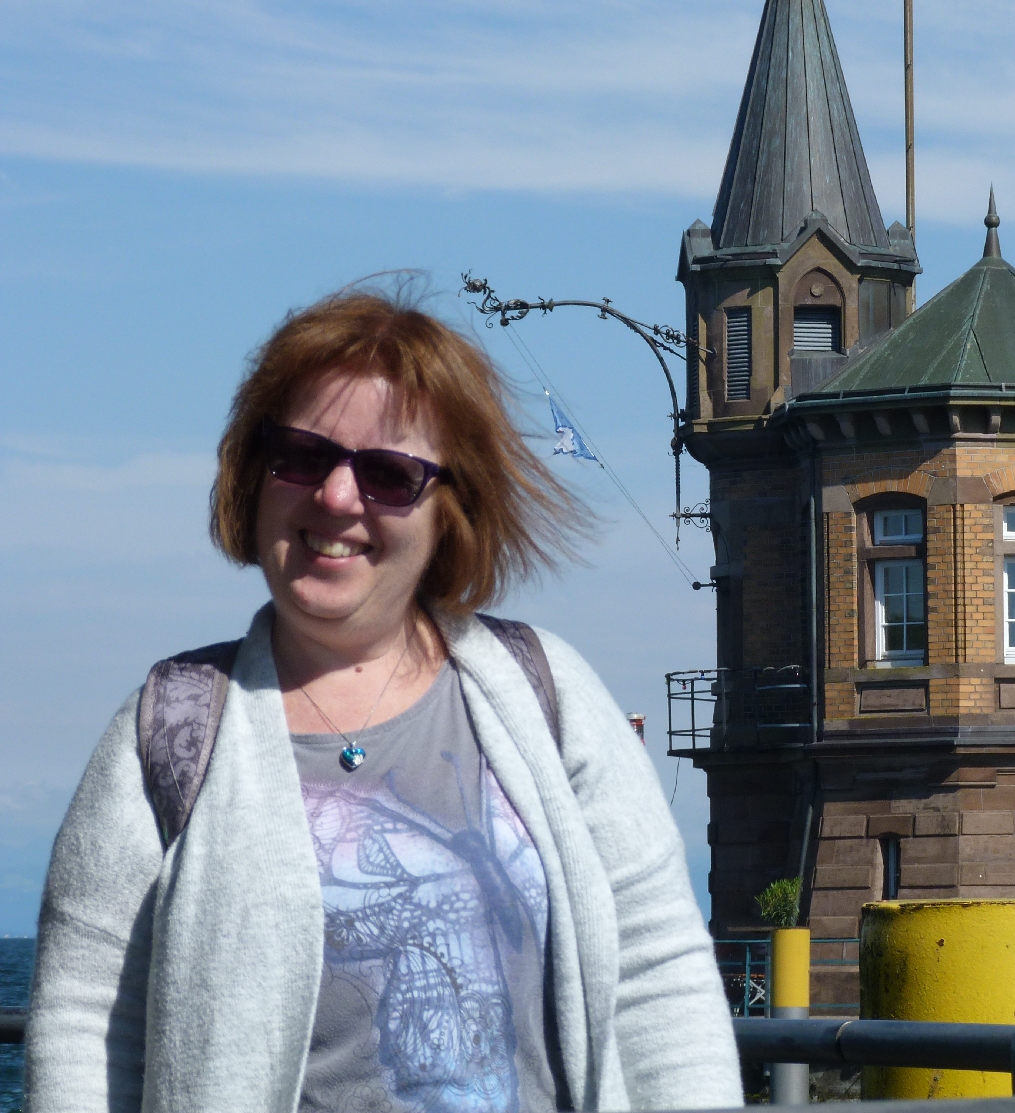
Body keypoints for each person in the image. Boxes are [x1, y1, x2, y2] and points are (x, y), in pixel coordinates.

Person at [25, 287, 743, 1113]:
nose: (336, 497)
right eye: (300, 455)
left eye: (388, 473)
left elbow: (659, 977)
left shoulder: (550, 693)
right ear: (254, 477)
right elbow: (85, 1024)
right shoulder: (168, 728)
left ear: (451, 512)